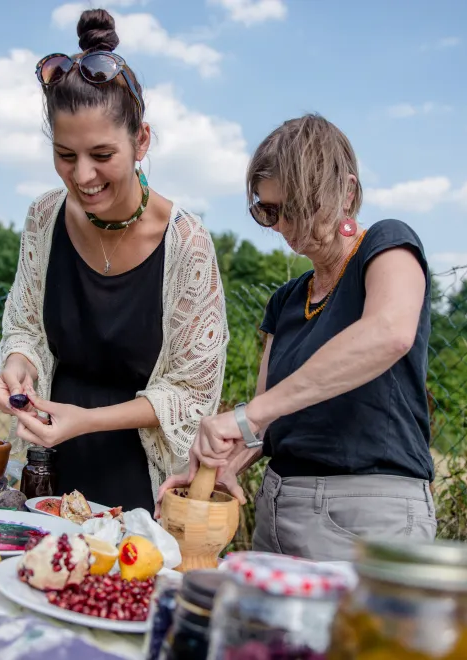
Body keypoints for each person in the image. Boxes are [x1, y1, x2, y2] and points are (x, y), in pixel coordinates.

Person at [157, 114, 436, 561]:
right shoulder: (287, 299)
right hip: (279, 506)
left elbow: (388, 333)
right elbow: (266, 422)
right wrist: (218, 467)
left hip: (368, 514)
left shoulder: (387, 246)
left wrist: (245, 418)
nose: (284, 225)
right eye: (268, 210)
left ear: (347, 191)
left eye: (298, 207)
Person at [0, 8, 228, 514]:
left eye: (102, 154)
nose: (82, 175)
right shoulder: (42, 219)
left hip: (140, 492)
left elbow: (190, 394)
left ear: (141, 141)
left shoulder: (186, 244)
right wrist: (18, 364)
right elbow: (26, 326)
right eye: (65, 155)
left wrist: (86, 419)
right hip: (44, 476)